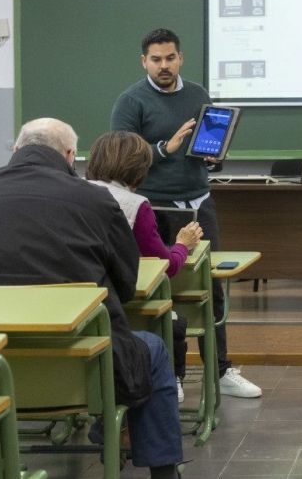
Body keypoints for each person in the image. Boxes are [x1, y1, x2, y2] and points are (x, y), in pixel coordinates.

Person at [0, 118, 183, 479]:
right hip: (88, 367)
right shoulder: (96, 200)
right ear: (69, 156)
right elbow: (126, 285)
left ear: (15, 151)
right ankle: (164, 472)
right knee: (154, 348)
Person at [111, 28, 261, 398]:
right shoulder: (131, 101)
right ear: (144, 61)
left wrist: (212, 157)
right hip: (155, 208)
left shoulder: (197, 94)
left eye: (170, 58)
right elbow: (119, 158)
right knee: (166, 290)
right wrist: (165, 147)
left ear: (181, 58)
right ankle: (173, 375)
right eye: (156, 59)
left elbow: (204, 150)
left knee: (211, 288)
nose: (164, 65)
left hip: (199, 203)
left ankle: (221, 369)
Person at [86, 130, 204, 402]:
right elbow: (166, 266)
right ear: (140, 168)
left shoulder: (72, 194)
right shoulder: (137, 206)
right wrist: (183, 245)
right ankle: (172, 381)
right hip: (123, 308)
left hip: (80, 304)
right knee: (173, 321)